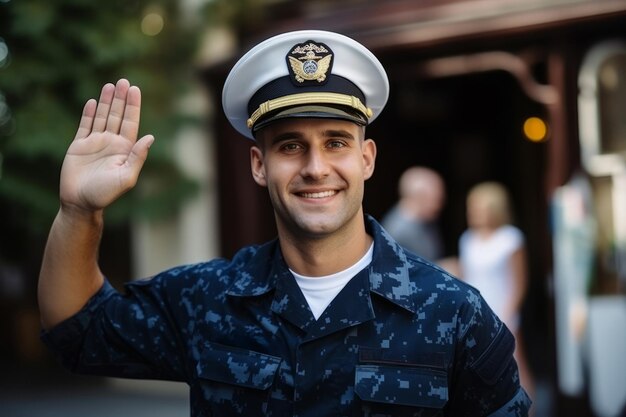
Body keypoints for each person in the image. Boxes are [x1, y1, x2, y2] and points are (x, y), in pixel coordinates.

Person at [38, 30, 531, 416]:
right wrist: (80, 212)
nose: (315, 167)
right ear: (259, 164)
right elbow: (78, 330)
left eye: (336, 142)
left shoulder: (454, 314)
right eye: (290, 145)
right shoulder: (207, 299)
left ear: (367, 159)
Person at [458, 181, 535, 398]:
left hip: (503, 310)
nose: (473, 213)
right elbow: (467, 276)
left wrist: (509, 314)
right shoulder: (467, 239)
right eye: (471, 208)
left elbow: (520, 282)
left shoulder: (510, 238)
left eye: (479, 208)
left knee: (516, 364)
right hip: (476, 313)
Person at [381, 166, 445, 262]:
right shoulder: (400, 230)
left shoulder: (422, 222)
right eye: (437, 199)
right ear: (421, 197)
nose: (439, 206)